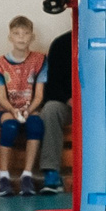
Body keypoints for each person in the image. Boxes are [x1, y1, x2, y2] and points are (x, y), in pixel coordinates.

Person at [0, 16, 46, 197]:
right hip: (7, 109)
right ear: (10, 37)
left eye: (25, 33)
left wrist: (29, 109)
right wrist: (13, 110)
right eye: (16, 33)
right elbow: (2, 97)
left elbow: (39, 95)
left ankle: (27, 175)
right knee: (10, 126)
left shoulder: (40, 60)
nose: (21, 37)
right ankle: (3, 177)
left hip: (30, 107)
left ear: (32, 37)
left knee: (36, 125)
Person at [38, 28, 72, 197]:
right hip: (69, 105)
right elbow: (52, 85)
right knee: (50, 109)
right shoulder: (61, 44)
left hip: (102, 105)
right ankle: (51, 172)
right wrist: (69, 99)